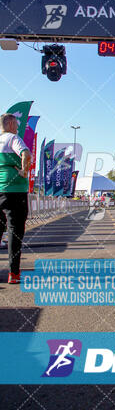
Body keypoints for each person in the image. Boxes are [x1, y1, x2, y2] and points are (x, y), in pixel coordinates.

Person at [0, 113, 32, 283]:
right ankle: (14, 273)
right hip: (14, 191)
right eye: (17, 124)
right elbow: (26, 155)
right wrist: (24, 172)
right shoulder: (13, 138)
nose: (18, 128)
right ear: (11, 123)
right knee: (15, 231)